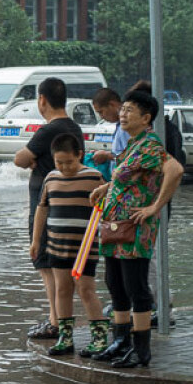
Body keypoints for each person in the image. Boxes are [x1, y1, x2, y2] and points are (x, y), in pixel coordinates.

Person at [88, 84, 185, 368]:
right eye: (123, 109)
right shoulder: (132, 145)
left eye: (130, 111)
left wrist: (156, 206)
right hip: (114, 225)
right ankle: (121, 341)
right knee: (115, 284)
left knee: (136, 287)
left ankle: (141, 350)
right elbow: (130, 178)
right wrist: (106, 187)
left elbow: (175, 170)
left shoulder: (151, 145)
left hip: (135, 229)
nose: (123, 114)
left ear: (146, 117)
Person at [14, 77, 85, 340]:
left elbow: (20, 159)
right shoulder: (73, 128)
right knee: (59, 269)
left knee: (47, 267)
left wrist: (33, 161)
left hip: (47, 208)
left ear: (42, 100)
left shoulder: (47, 131)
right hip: (68, 207)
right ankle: (59, 320)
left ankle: (56, 322)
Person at [30, 133, 109, 356]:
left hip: (85, 248)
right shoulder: (51, 178)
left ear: (80, 155)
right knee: (62, 289)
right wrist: (36, 240)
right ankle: (65, 337)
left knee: (86, 289)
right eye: (59, 162)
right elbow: (42, 209)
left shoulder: (94, 177)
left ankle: (99, 337)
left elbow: (107, 204)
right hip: (56, 246)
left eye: (69, 162)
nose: (64, 167)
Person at [90, 88, 129, 180]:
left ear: (112, 104)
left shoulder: (127, 128)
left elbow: (131, 158)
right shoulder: (120, 126)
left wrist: (106, 156)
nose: (101, 116)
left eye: (101, 111)